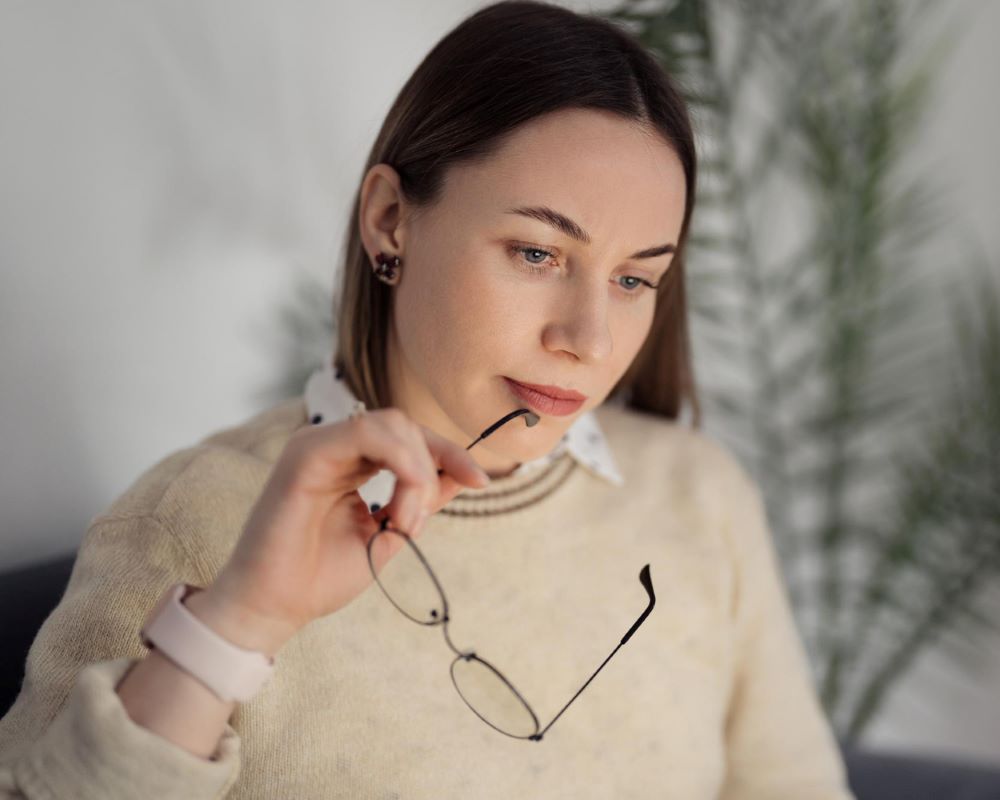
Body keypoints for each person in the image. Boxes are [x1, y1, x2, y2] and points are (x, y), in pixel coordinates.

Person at [0, 1, 853, 797]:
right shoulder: (193, 525)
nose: (589, 340)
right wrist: (238, 624)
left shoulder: (699, 499)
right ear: (390, 220)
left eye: (635, 278)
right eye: (536, 254)